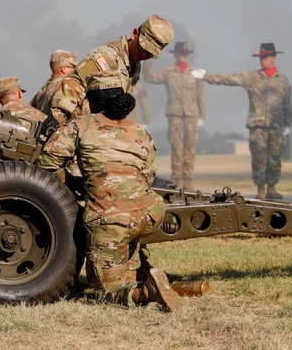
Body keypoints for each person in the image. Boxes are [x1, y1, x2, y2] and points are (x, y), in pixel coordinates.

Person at [37, 71, 183, 312]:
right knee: (126, 241)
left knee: (105, 291)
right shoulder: (139, 131)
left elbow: (47, 163)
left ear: (92, 101)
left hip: (110, 220)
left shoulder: (82, 125)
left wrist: (74, 184)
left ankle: (146, 292)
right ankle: (147, 276)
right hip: (149, 213)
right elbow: (147, 176)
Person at [200, 43, 292, 200]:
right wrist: (206, 76)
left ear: (274, 58)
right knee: (258, 158)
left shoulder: (283, 80)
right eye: (261, 57)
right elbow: (229, 79)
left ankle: (271, 187)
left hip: (277, 126)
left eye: (265, 57)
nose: (262, 60)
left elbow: (288, 103)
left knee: (274, 159)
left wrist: (288, 124)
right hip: (257, 126)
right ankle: (261, 189)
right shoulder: (251, 77)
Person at [48, 14, 174, 125]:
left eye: (149, 54)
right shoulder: (108, 56)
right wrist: (58, 116)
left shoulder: (134, 66)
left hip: (98, 129)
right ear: (135, 34)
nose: (143, 55)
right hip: (79, 125)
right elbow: (75, 83)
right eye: (142, 49)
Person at [144, 41, 206, 191]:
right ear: (176, 54)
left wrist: (202, 116)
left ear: (188, 55)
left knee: (190, 148)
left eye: (185, 53)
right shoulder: (169, 72)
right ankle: (177, 180)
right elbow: (149, 77)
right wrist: (147, 59)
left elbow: (201, 96)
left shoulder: (195, 74)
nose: (183, 56)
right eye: (180, 53)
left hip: (191, 116)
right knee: (177, 148)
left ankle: (188, 180)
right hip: (175, 115)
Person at [30, 50, 77, 115]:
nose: (75, 70)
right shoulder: (65, 85)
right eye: (74, 67)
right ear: (64, 69)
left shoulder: (42, 90)